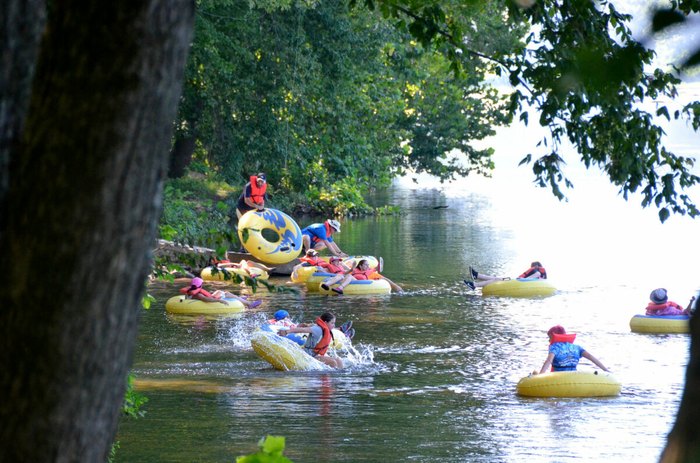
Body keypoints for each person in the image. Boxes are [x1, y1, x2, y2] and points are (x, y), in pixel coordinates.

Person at [278, 312, 344, 368]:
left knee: (339, 360)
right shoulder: (317, 329)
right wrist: (286, 332)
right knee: (333, 362)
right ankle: (326, 379)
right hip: (309, 355)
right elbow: (302, 330)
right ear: (326, 323)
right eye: (332, 323)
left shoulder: (326, 330)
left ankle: (342, 376)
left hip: (317, 354)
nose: (334, 325)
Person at [536, 325, 610, 374]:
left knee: (534, 373)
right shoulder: (576, 347)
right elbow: (591, 357)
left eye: (550, 338)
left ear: (554, 336)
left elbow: (548, 361)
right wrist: (606, 370)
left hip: (558, 378)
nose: (549, 340)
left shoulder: (555, 347)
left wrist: (540, 375)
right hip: (573, 376)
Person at [330, 258, 403, 294]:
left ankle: (340, 288)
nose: (368, 266)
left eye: (368, 265)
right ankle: (336, 287)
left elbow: (385, 279)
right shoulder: (355, 270)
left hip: (362, 286)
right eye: (366, 265)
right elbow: (344, 274)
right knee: (347, 276)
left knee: (349, 276)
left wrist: (396, 287)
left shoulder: (371, 273)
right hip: (351, 282)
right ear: (361, 266)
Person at [179, 277, 262, 308]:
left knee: (222, 292)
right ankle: (248, 304)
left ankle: (240, 299)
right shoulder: (198, 294)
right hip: (213, 300)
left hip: (211, 297)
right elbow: (206, 299)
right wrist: (219, 300)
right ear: (199, 286)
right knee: (227, 294)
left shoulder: (191, 290)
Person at [464, 261, 547, 290]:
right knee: (497, 278)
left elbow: (534, 276)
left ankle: (475, 285)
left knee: (497, 280)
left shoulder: (538, 272)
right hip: (517, 281)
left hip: (518, 283)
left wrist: (522, 280)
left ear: (536, 266)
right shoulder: (541, 276)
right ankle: (477, 276)